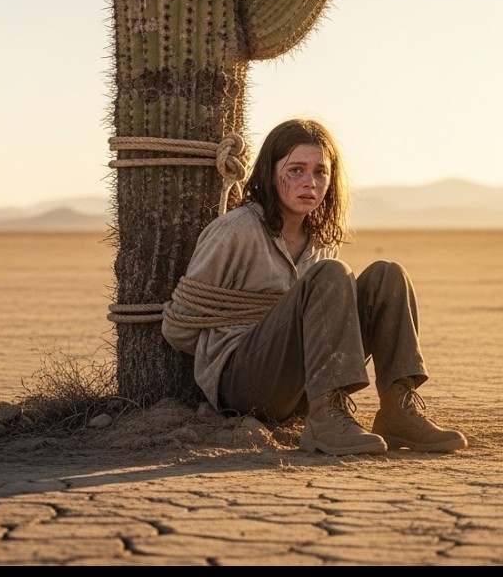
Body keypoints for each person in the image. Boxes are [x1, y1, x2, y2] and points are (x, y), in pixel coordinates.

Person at [161, 118, 467, 455]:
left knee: (387, 276)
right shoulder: (236, 231)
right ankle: (324, 426)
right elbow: (179, 328)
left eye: (320, 172)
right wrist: (260, 329)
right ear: (269, 173)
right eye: (296, 170)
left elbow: (322, 320)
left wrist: (294, 323)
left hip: (305, 387)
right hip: (243, 386)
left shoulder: (321, 240)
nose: (310, 182)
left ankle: (396, 412)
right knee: (332, 274)